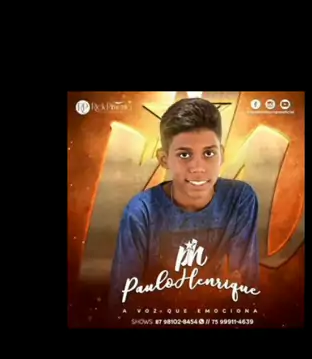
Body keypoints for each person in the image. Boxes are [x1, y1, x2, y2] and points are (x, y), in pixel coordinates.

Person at [109, 97, 259, 311]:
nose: (198, 167)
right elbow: (122, 301)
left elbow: (245, 289)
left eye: (209, 153)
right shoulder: (141, 212)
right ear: (164, 159)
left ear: (221, 155)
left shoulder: (240, 199)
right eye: (184, 155)